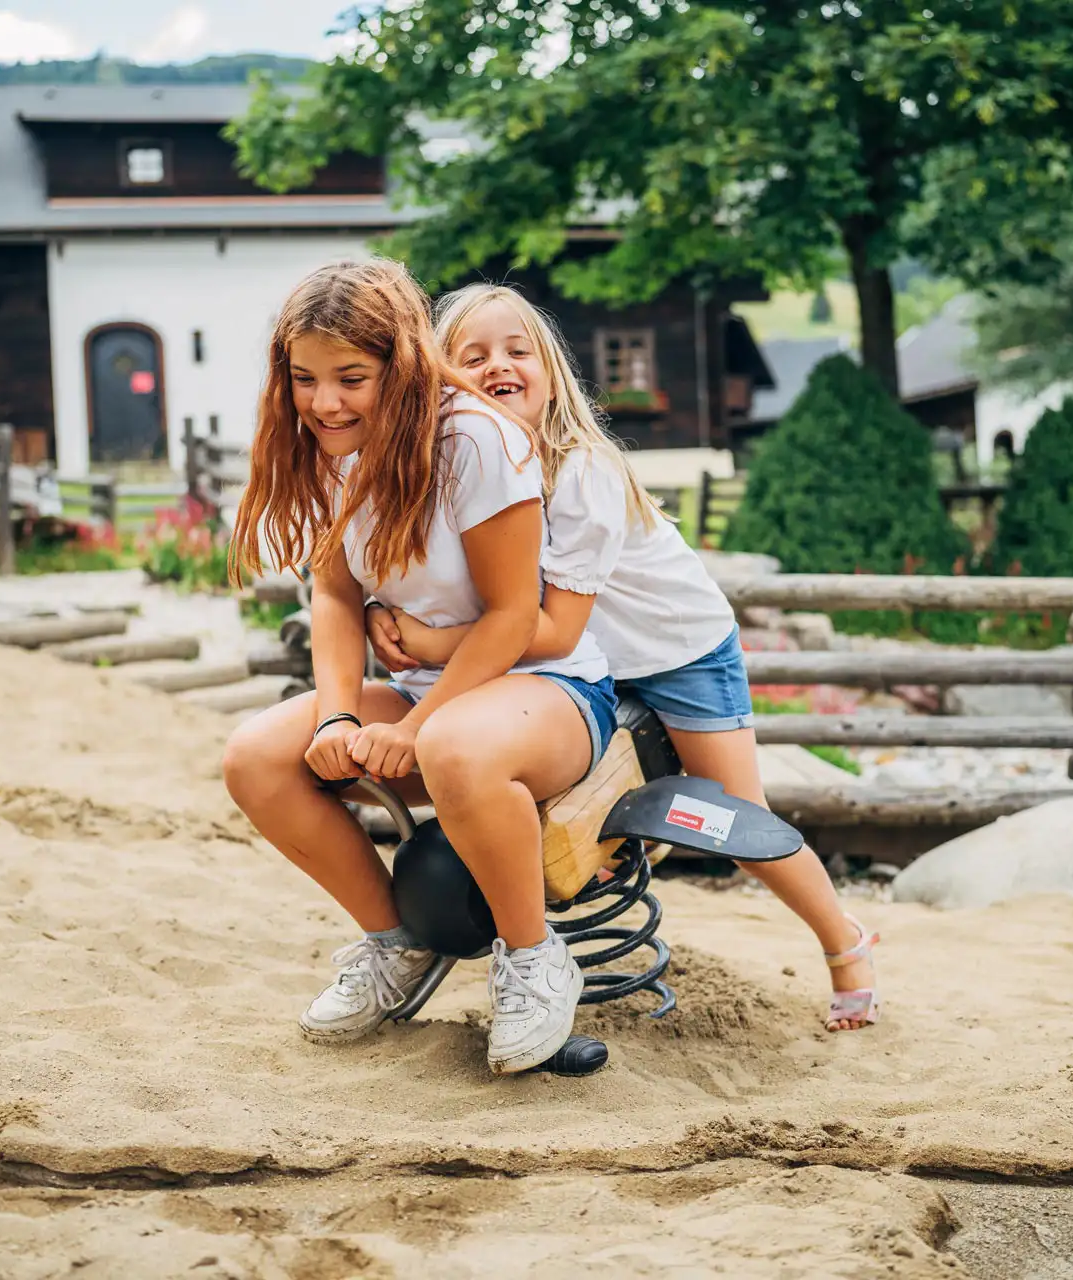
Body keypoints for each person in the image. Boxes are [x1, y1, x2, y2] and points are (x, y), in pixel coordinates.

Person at [368, 283, 879, 1031]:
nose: (498, 365)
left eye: (518, 351)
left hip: (674, 651)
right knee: (553, 792)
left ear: (550, 369)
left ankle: (845, 941)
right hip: (580, 668)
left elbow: (549, 626)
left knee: (733, 819)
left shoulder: (580, 470)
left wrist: (426, 642)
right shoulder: (464, 474)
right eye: (471, 357)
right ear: (442, 383)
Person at [222, 259, 620, 1074]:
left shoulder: (476, 439)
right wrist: (338, 715)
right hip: (422, 694)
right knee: (256, 758)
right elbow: (333, 596)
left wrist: (417, 724)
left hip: (552, 695)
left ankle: (534, 958)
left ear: (401, 365)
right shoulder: (334, 449)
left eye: (351, 378)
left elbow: (514, 617)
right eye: (304, 379)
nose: (324, 402)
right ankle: (395, 944)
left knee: (452, 748)